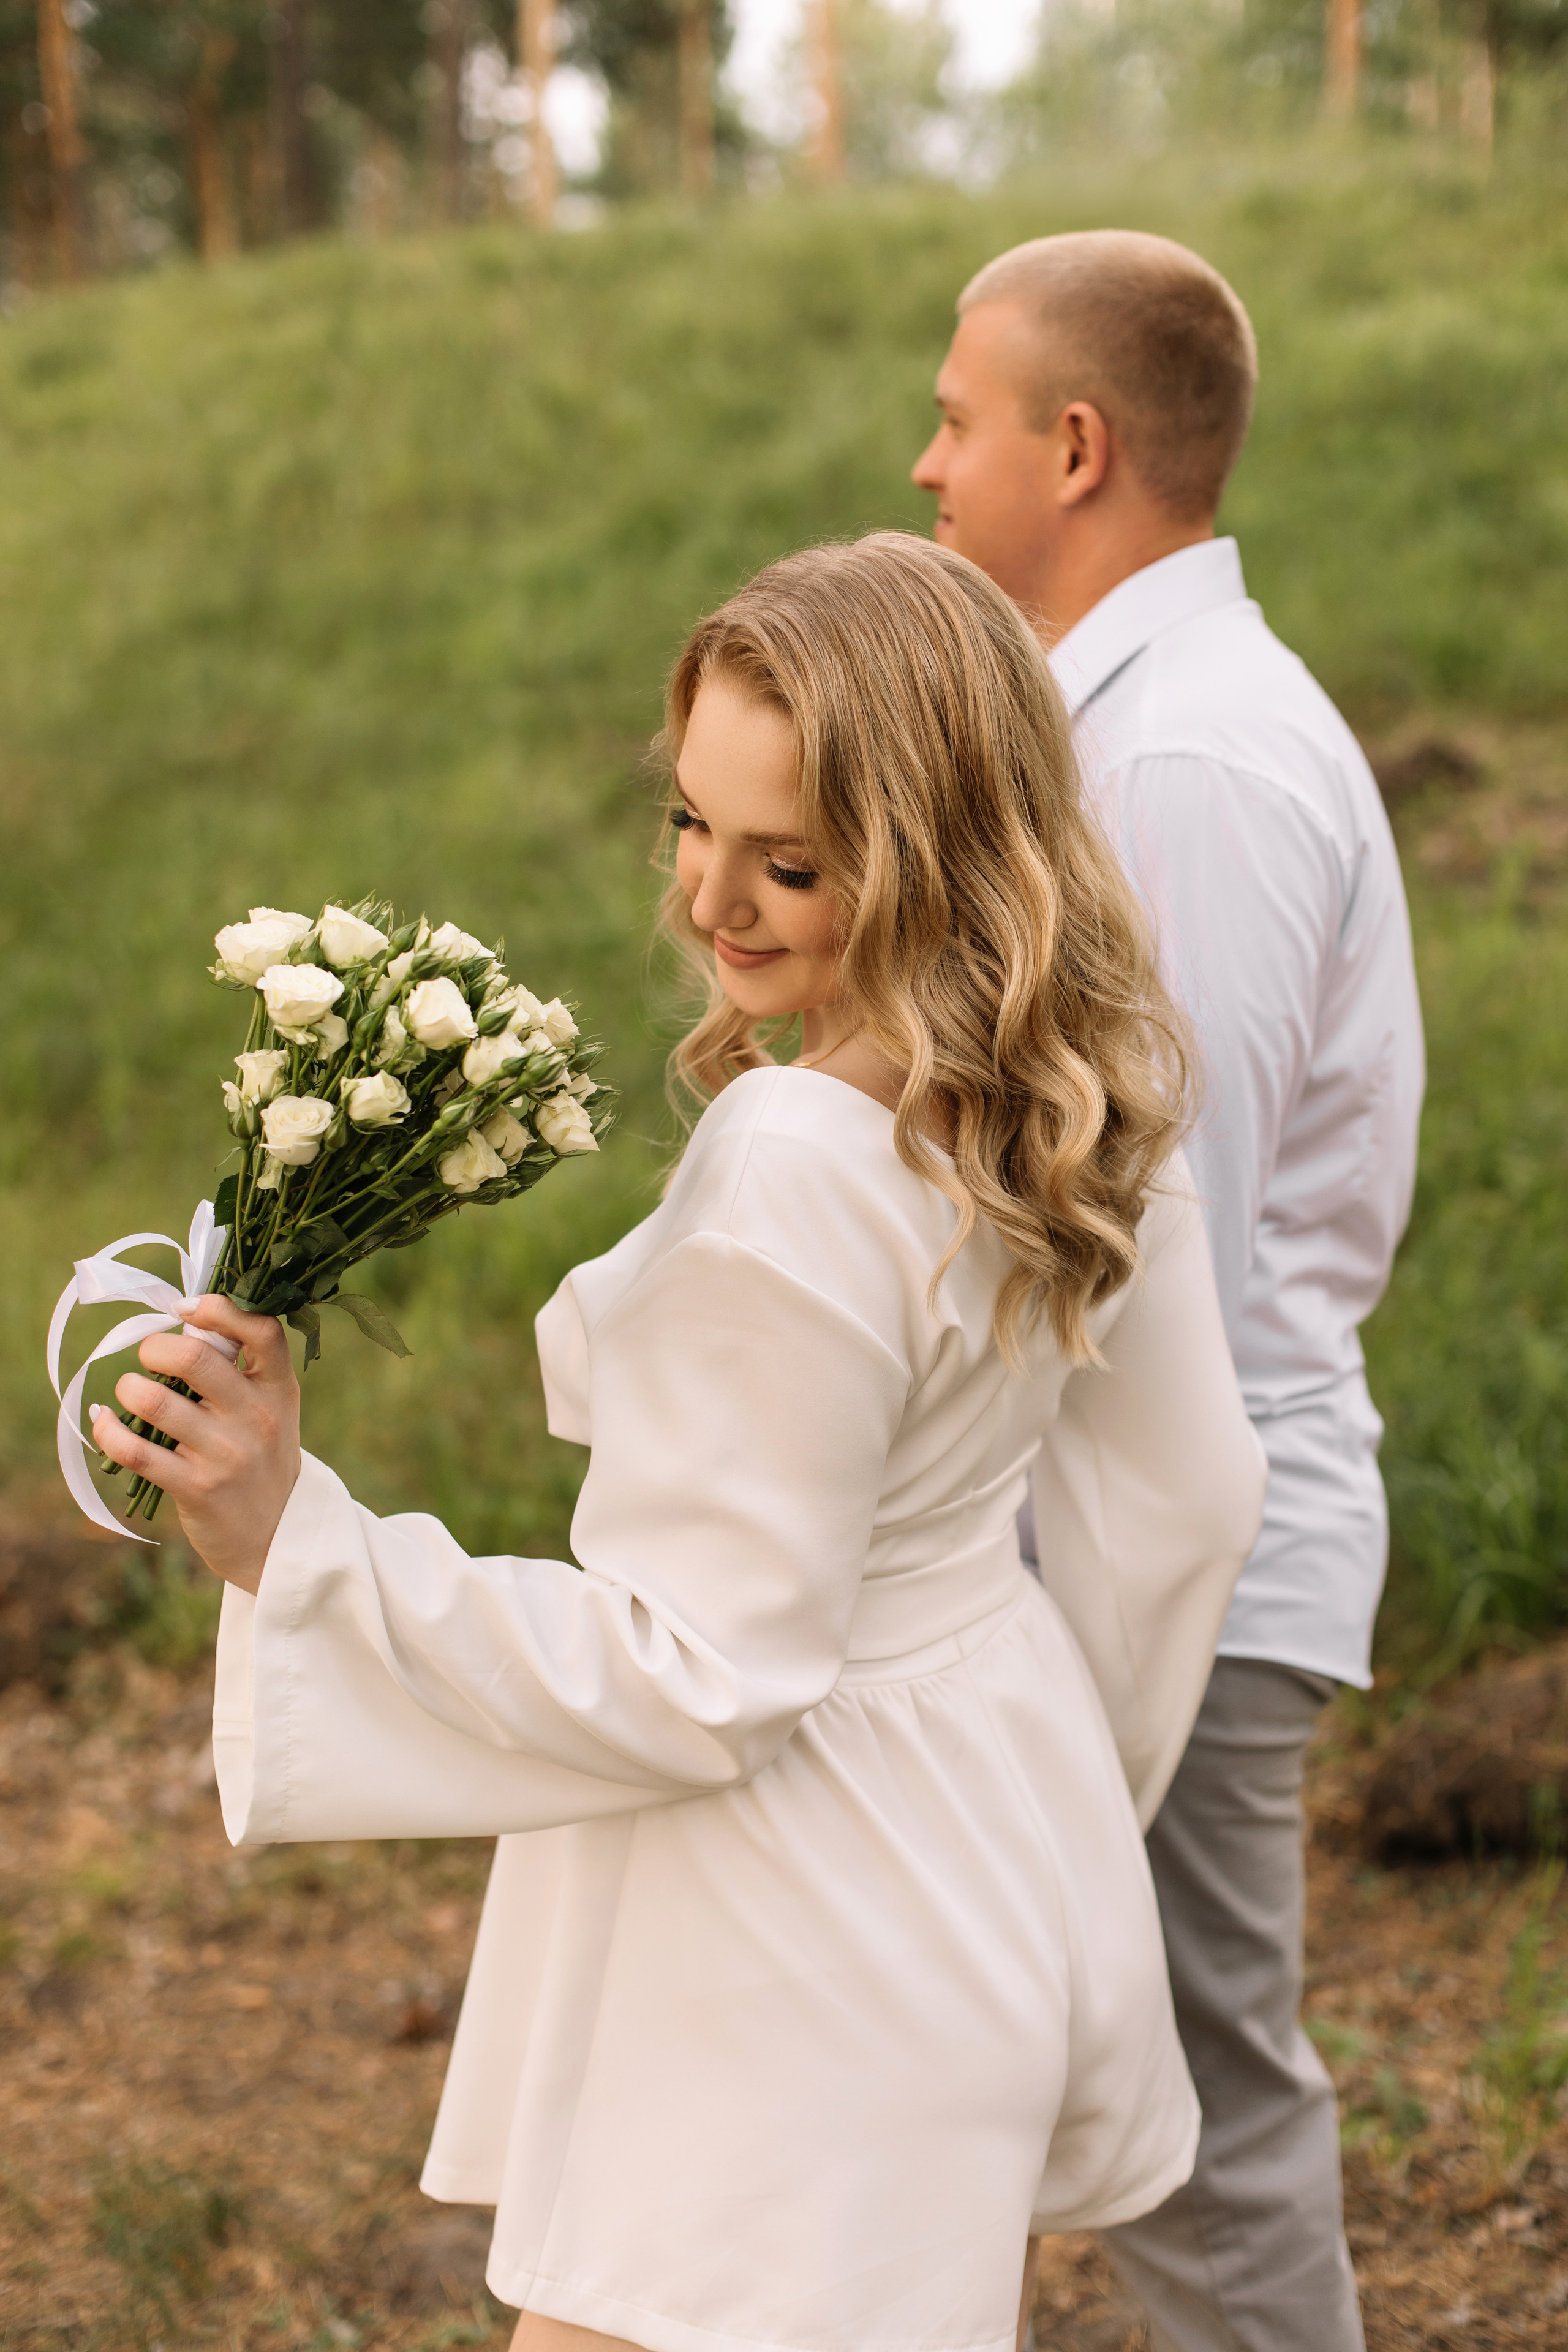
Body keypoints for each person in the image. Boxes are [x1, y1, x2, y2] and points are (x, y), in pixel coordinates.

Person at [93, 532, 1265, 2352]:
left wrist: (296, 1546)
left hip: (784, 1940)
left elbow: (701, 1673)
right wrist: (1047, 1797)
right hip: (976, 1860)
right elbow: (1190, 1502)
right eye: (691, 826)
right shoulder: (1094, 1081)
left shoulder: (799, 1168)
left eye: (789, 859)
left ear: (940, 846)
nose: (713, 899)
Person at [912, 234, 1424, 2352]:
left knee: (1200, 2126)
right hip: (1112, 1546)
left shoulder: (1188, 768)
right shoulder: (1121, 726)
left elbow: (1147, 1246)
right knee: (1054, 2090)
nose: (927, 467)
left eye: (958, 419)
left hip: (1176, 1562)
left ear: (1080, 444)